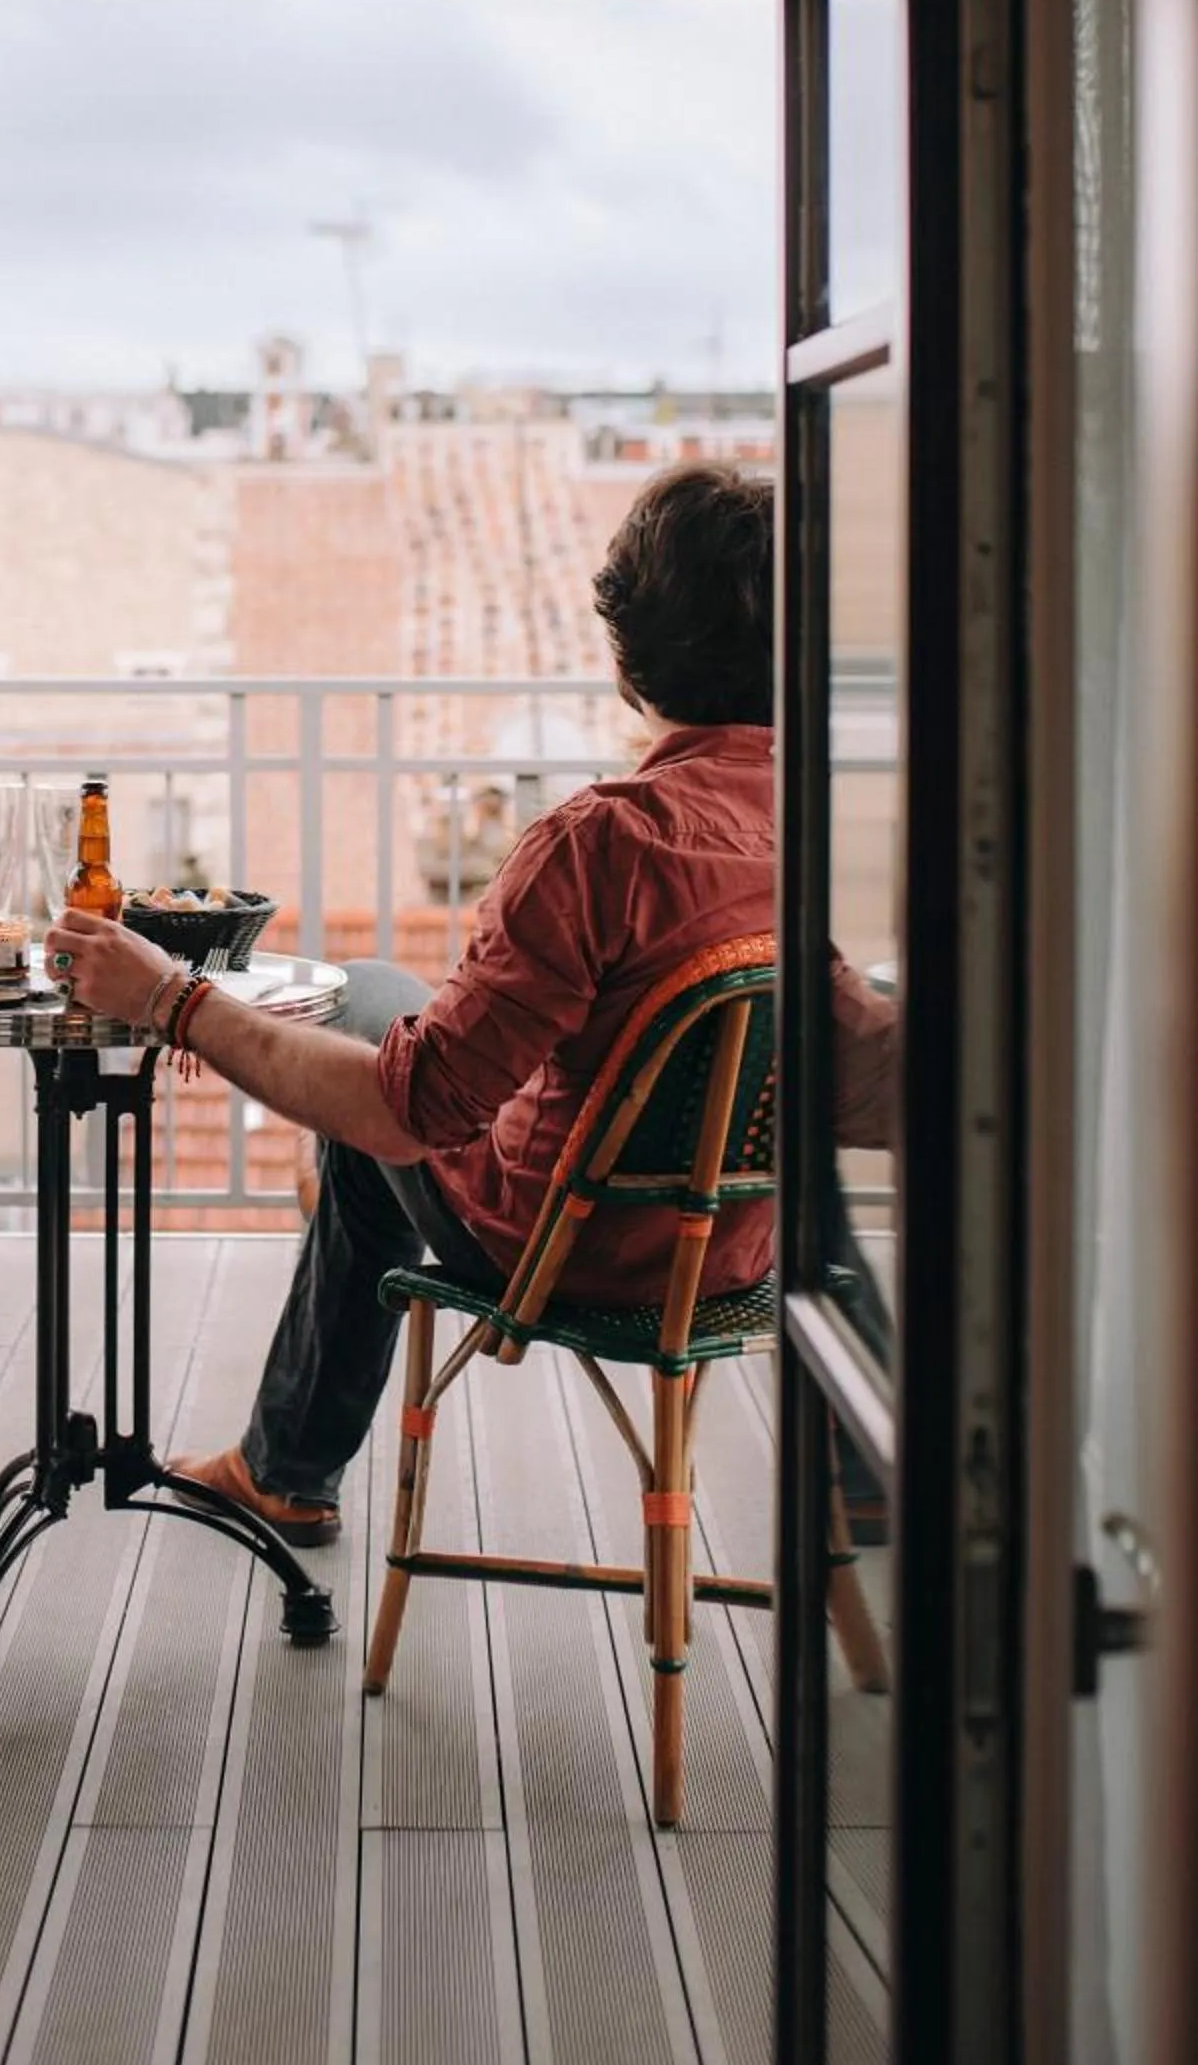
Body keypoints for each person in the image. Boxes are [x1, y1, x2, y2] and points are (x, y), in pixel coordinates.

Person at [48, 462, 893, 1549]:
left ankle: (285, 1471)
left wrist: (171, 999)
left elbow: (412, 1115)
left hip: (562, 1241)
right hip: (728, 1247)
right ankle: (868, 1460)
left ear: (628, 655)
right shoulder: (800, 821)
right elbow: (843, 1072)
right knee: (376, 997)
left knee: (365, 1135)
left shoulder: (602, 841)